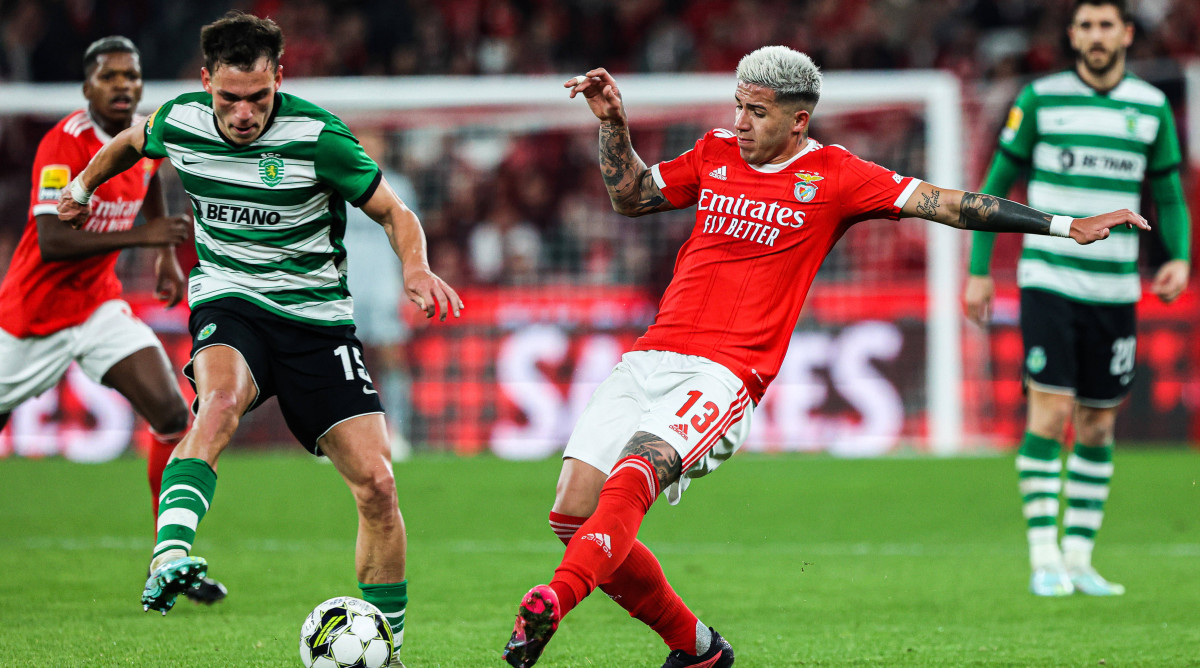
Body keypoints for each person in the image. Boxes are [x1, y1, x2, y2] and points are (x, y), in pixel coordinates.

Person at [501, 45, 1150, 668]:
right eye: (738, 106)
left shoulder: (837, 176)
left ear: (798, 119)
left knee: (637, 472)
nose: (740, 122)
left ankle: (554, 598)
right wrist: (613, 125)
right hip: (651, 355)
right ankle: (699, 650)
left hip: (726, 373)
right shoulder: (714, 152)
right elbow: (633, 196)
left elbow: (949, 204)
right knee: (572, 511)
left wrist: (1063, 225)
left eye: (756, 111)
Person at [57, 14, 461, 666]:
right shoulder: (181, 120)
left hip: (316, 319)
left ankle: (388, 651)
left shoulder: (318, 137)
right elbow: (131, 143)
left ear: (279, 79)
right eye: (229, 98)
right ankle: (169, 553)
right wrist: (81, 187)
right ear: (205, 82)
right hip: (230, 299)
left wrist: (415, 266)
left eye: (258, 98)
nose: (243, 114)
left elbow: (394, 211)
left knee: (378, 486)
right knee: (218, 404)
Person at [964, 0, 1190, 598]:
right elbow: (994, 187)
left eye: (1105, 25)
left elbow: (1168, 194)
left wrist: (1179, 257)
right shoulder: (1040, 99)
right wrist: (979, 270)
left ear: (1126, 33)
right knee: (1050, 413)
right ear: (1072, 34)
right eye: (1085, 25)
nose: (1095, 35)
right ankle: (1044, 557)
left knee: (1096, 424)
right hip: (1050, 279)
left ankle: (1080, 558)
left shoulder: (1150, 106)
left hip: (1116, 288)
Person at [0, 35, 227, 605]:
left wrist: (165, 257)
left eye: (131, 75)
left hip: (98, 306)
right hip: (33, 314)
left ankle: (167, 559)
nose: (123, 85)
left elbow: (146, 180)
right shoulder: (64, 142)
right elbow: (52, 240)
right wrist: (146, 237)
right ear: (87, 87)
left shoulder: (143, 137)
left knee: (173, 415)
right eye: (110, 76)